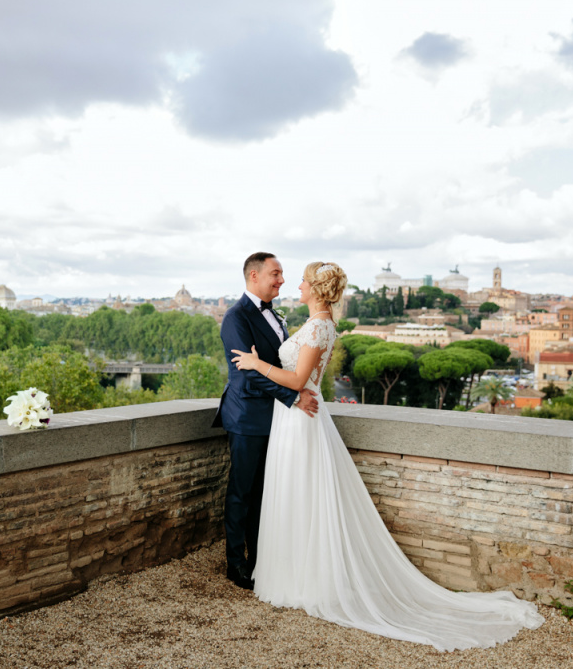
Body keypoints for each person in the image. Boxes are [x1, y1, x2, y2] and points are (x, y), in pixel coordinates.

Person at [231, 261, 544, 651]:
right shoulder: (317, 324)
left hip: (301, 418)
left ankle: (305, 580)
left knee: (302, 493)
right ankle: (295, 572)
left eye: (303, 281)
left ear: (316, 288)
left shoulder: (319, 327)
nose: (296, 286)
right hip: (294, 416)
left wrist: (257, 363)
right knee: (296, 493)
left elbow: (297, 381)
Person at [212, 252, 319, 591]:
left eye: (283, 273)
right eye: (276, 273)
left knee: (265, 493)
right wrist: (294, 397)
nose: (282, 280)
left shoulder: (275, 314)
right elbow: (249, 371)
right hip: (246, 416)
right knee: (242, 493)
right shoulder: (235, 317)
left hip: (276, 417)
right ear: (254, 275)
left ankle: (262, 561)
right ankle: (235, 564)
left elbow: (278, 365)